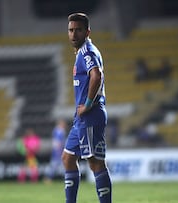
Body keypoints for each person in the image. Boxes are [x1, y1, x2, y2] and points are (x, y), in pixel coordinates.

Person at [62, 13, 112, 203]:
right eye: (71, 30)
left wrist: (89, 104)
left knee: (96, 163)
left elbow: (96, 75)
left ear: (87, 32)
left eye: (78, 30)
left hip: (90, 115)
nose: (73, 34)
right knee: (67, 158)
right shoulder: (82, 52)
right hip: (81, 119)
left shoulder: (87, 52)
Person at [44, 119, 67, 183]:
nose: (64, 125)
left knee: (59, 165)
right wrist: (59, 150)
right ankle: (48, 177)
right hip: (58, 150)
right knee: (55, 165)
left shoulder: (57, 130)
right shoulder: (59, 131)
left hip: (57, 150)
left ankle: (49, 178)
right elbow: (58, 142)